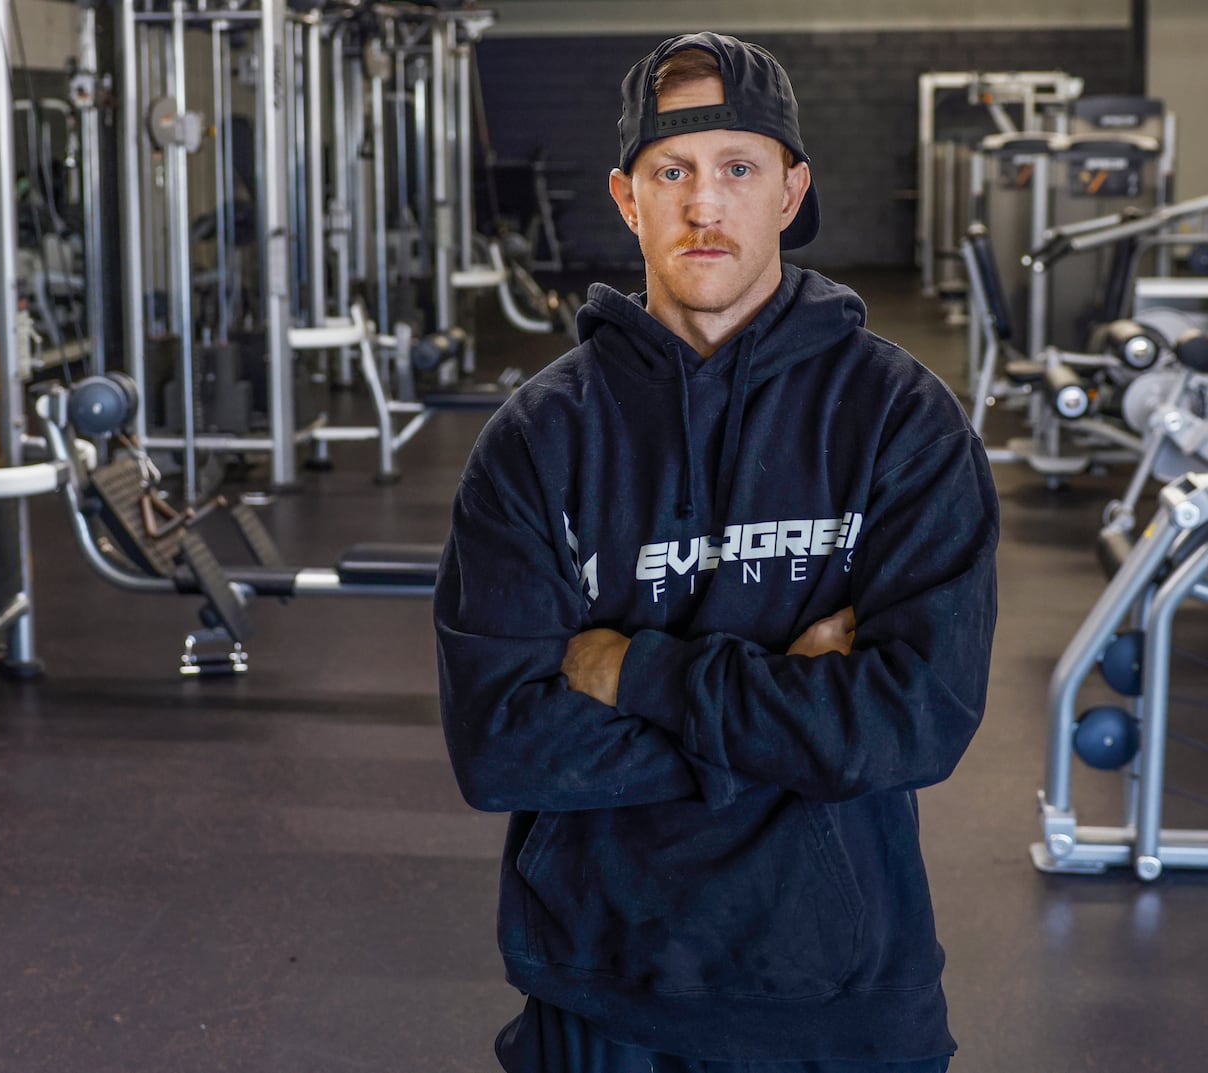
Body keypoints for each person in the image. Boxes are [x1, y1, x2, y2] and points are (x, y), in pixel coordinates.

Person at [434, 32, 998, 1073]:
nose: (705, 205)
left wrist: (632, 669)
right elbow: (503, 745)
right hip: (601, 989)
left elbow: (910, 723)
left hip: (845, 989)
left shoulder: (898, 420)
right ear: (625, 196)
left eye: (738, 169)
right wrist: (792, 707)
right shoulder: (537, 438)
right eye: (672, 172)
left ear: (789, 190)